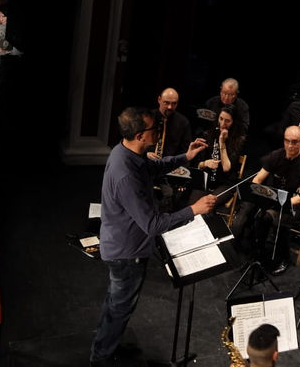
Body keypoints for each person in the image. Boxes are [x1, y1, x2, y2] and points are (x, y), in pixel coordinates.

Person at [89, 107, 216, 367]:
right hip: (126, 253)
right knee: (119, 308)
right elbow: (153, 224)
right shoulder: (126, 175)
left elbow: (154, 167)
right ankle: (101, 358)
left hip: (123, 245)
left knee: (116, 305)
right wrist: (194, 209)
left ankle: (106, 346)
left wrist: (186, 156)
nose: (159, 130)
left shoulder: (127, 152)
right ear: (139, 135)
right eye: (154, 128)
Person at [230, 125, 300, 276]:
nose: (290, 145)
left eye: (294, 142)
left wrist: (281, 203)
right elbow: (258, 179)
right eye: (287, 141)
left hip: (295, 205)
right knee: (257, 212)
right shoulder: (276, 155)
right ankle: (257, 251)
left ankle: (284, 257)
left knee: (270, 217)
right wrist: (256, 192)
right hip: (275, 200)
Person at [185, 104, 246, 209]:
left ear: (233, 122)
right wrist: (205, 163)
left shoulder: (238, 140)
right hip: (206, 179)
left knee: (207, 206)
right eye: (221, 119)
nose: (223, 124)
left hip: (225, 184)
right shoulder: (208, 134)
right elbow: (198, 164)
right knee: (192, 207)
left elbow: (226, 168)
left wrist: (222, 142)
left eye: (227, 121)